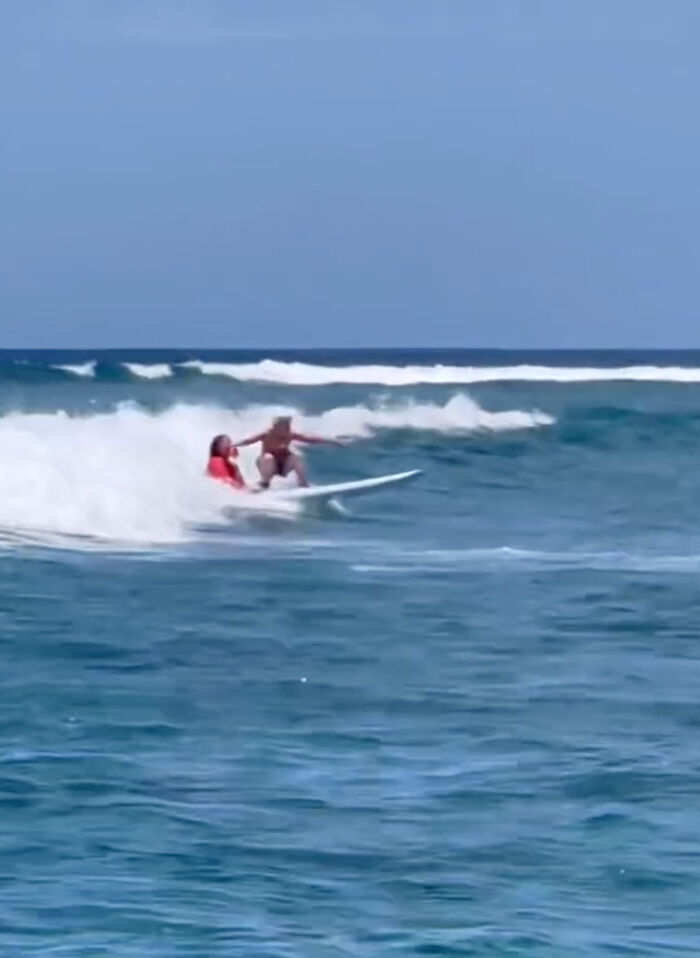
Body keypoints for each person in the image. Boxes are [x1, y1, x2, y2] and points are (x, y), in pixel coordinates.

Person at [233, 416, 344, 488]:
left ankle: (302, 484)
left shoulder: (290, 434)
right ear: (276, 427)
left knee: (297, 457)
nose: (288, 428)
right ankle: (264, 484)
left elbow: (311, 439)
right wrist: (232, 445)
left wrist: (332, 441)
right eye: (285, 426)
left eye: (288, 426)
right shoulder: (266, 434)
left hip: (282, 467)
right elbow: (248, 441)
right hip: (267, 466)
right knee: (268, 457)